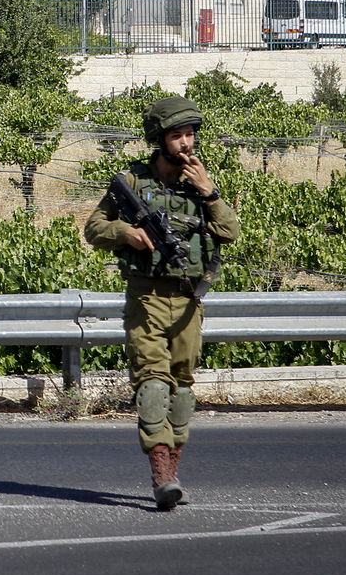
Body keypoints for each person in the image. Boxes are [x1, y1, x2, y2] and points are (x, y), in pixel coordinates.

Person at [83, 96, 240, 511]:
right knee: (153, 383)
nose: (186, 143)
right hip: (147, 295)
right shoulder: (133, 182)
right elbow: (94, 227)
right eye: (177, 136)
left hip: (189, 299)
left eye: (190, 135)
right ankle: (161, 475)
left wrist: (210, 193)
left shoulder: (202, 183)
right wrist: (126, 233)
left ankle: (174, 466)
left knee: (183, 387)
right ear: (159, 139)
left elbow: (230, 232)